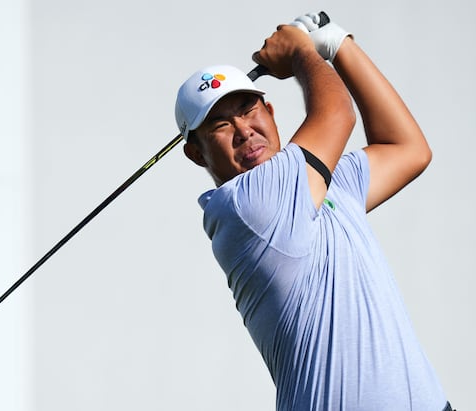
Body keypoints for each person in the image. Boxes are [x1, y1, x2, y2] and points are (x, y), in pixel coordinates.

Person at [175, 12, 453, 411]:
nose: (243, 130)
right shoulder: (245, 205)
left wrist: (340, 45)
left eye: (248, 109)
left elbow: (407, 148)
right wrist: (302, 52)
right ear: (196, 153)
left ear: (270, 113)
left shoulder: (321, 181)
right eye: (220, 125)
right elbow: (337, 113)